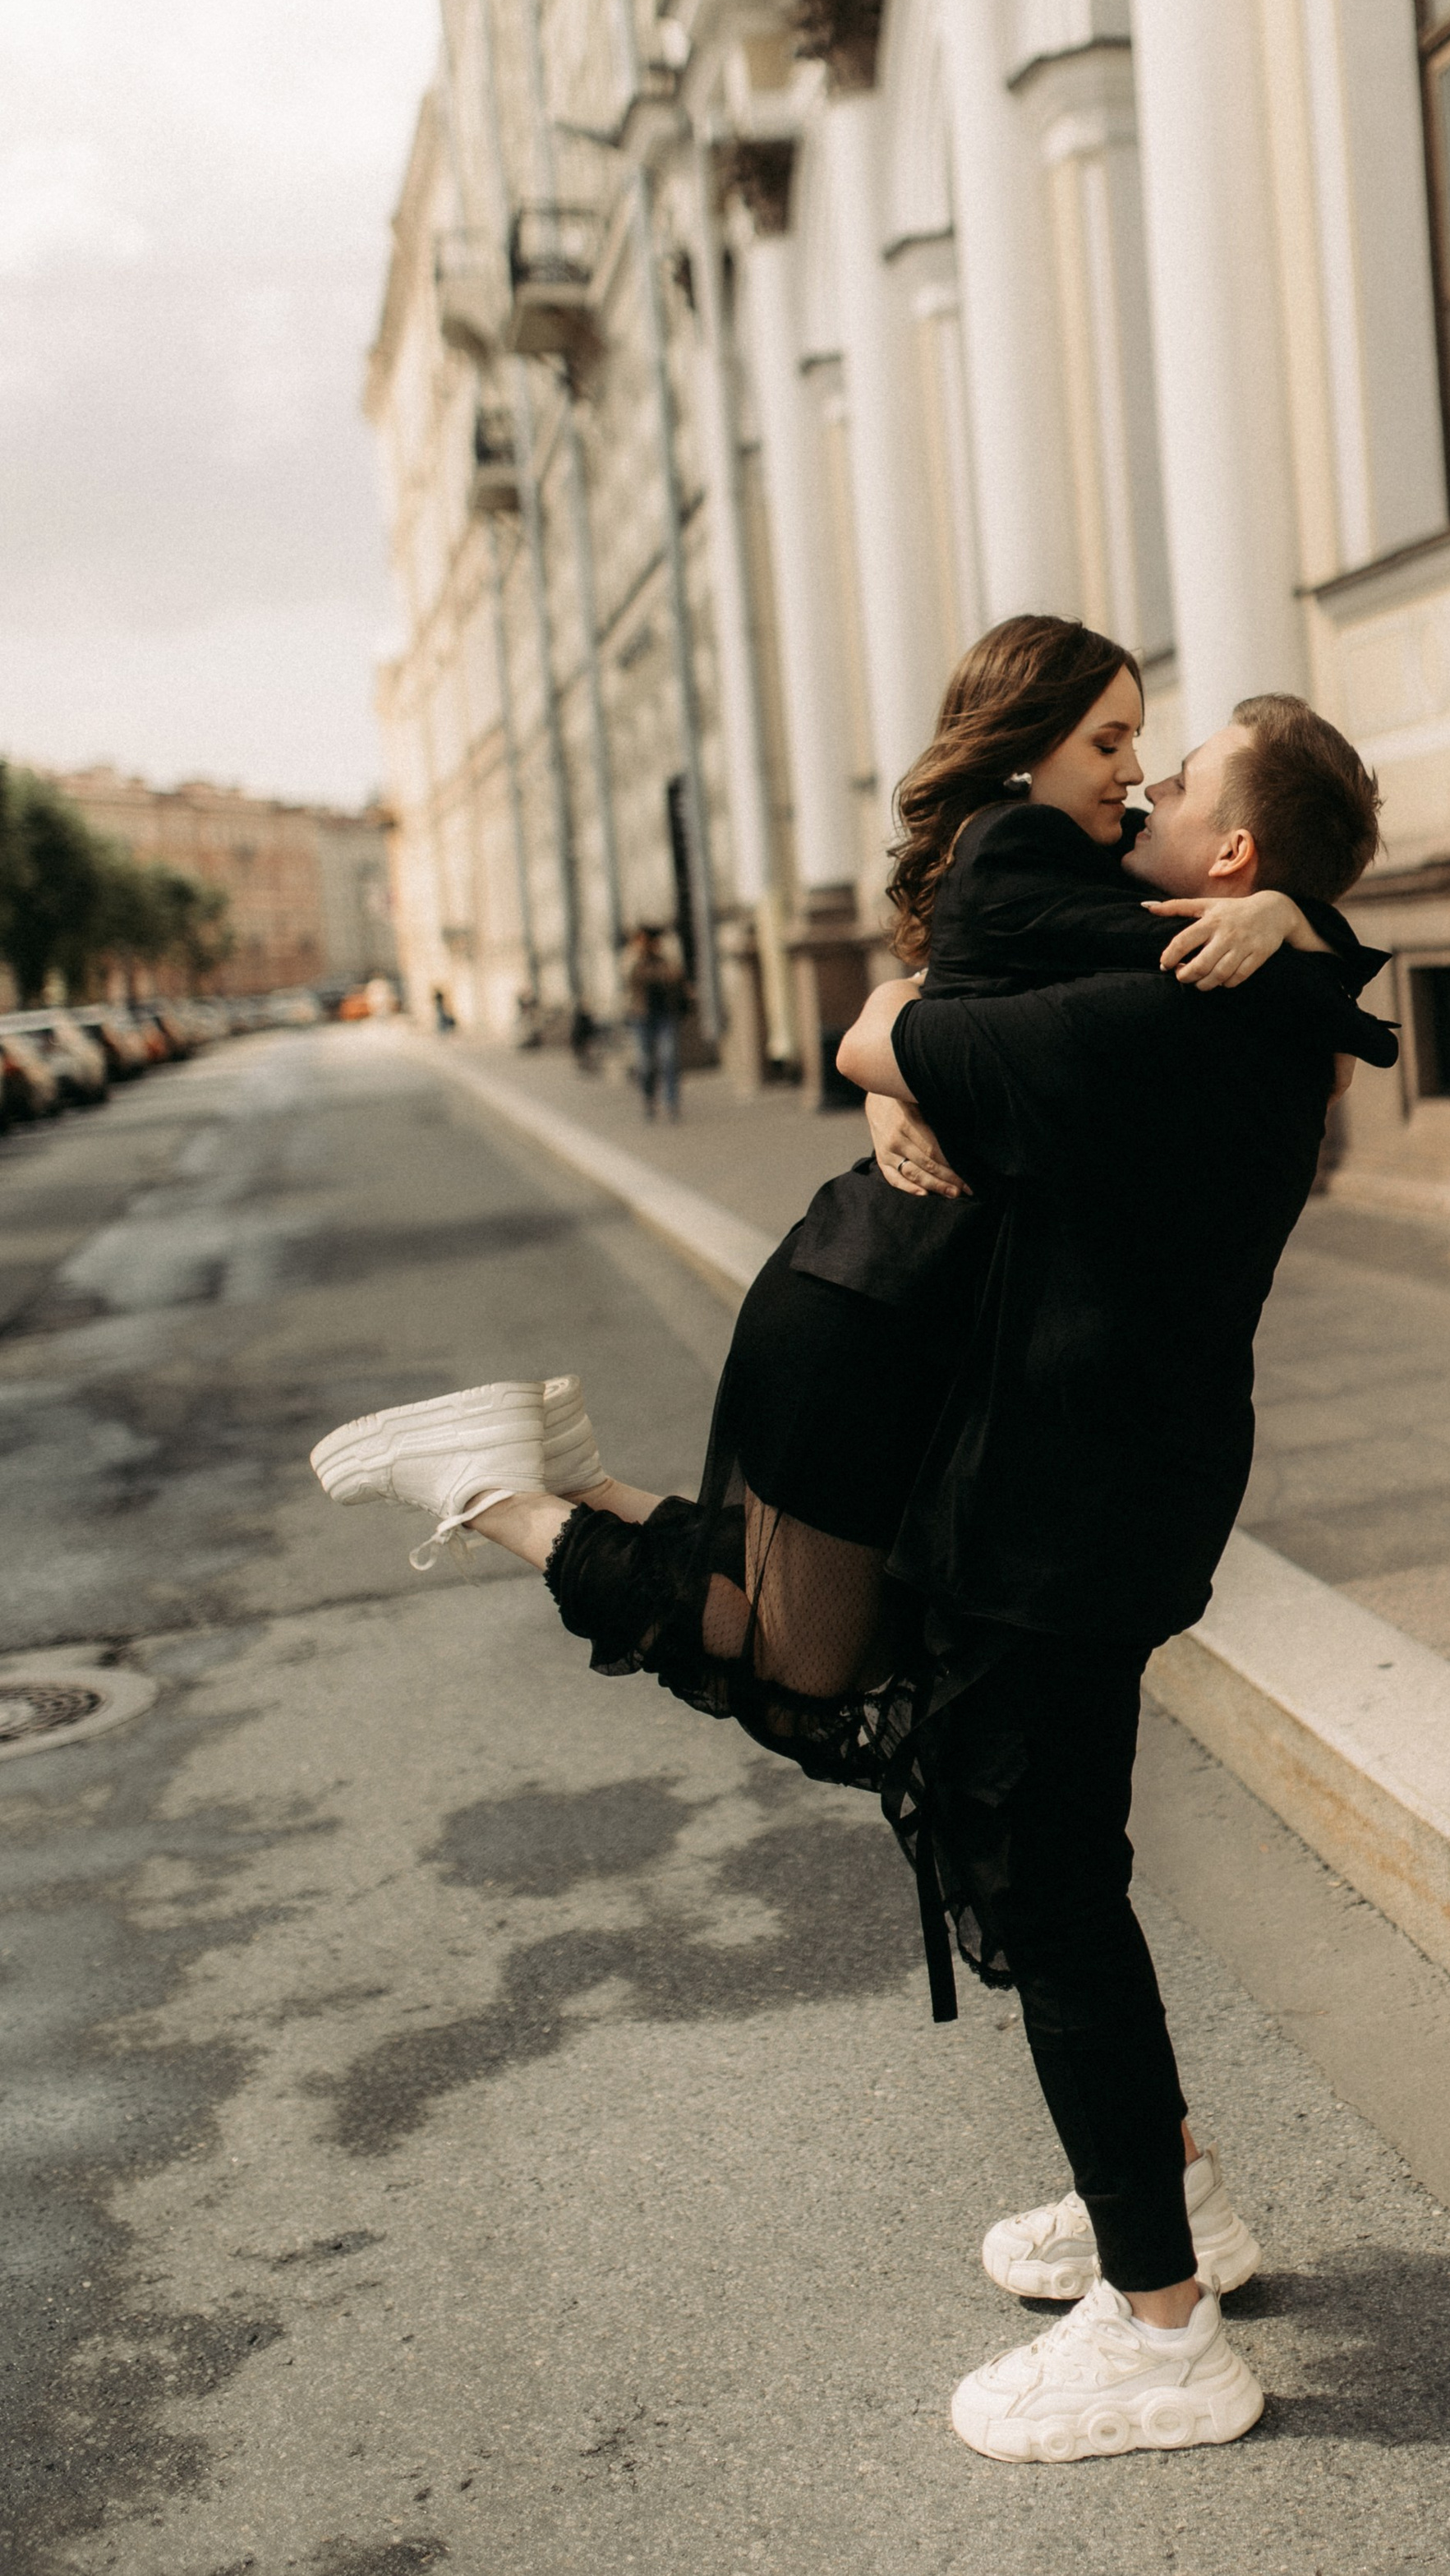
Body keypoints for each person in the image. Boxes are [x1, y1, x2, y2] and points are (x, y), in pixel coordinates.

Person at [306, 633, 1392, 2461]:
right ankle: (1171, 2206)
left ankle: (1162, 2329)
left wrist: (903, 1053)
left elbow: (899, 1034)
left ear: (1227, 861)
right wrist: (1303, 930)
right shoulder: (1235, 986)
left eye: (1178, 773)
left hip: (1060, 1515)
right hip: (1083, 1496)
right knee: (1030, 1848)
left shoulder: (1168, 1009)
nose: (1146, 783)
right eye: (1130, 750)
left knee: (1041, 1887)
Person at [622, 925, 688, 1121]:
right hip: (641, 1017)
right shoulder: (632, 961)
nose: (645, 945)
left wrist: (667, 952)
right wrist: (636, 955)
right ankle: (649, 1099)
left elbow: (675, 977)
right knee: (646, 1063)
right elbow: (630, 978)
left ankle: (671, 1102)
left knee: (669, 1059)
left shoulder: (665, 959)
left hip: (665, 1016)